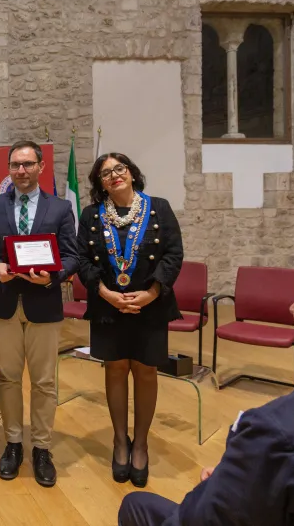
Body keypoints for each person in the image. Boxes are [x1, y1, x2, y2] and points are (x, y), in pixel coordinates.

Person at [119, 232, 294, 526]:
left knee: (134, 506)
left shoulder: (277, 430)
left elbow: (196, 519)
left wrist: (225, 484)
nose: (292, 307)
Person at [0, 140, 79, 487]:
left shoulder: (60, 208)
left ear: (41, 167)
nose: (21, 170)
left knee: (44, 381)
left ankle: (42, 448)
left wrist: (54, 275)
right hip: (3, 303)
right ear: (8, 169)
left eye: (28, 164)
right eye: (16, 165)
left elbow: (72, 256)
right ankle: (14, 443)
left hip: (43, 304)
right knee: (8, 377)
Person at [76, 153, 183, 487]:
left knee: (146, 371)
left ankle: (141, 444)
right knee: (116, 369)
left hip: (150, 305)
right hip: (109, 305)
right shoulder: (92, 215)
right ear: (100, 183)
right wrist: (105, 293)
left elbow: (173, 254)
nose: (114, 175)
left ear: (132, 173)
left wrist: (152, 292)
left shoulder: (159, 208)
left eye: (119, 169)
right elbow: (82, 260)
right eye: (105, 173)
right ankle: (120, 441)